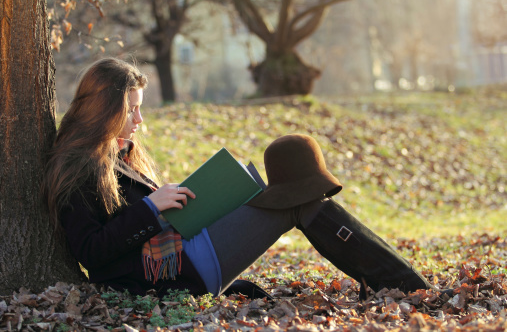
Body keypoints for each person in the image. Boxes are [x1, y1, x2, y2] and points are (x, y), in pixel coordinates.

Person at [43, 57, 438, 300]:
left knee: (293, 186)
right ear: (104, 109)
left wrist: (186, 200)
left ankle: (403, 281)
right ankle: (407, 284)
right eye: (131, 111)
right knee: (299, 202)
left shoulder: (121, 155)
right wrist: (151, 207)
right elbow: (90, 253)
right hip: (174, 274)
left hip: (188, 252)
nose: (140, 121)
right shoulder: (78, 168)